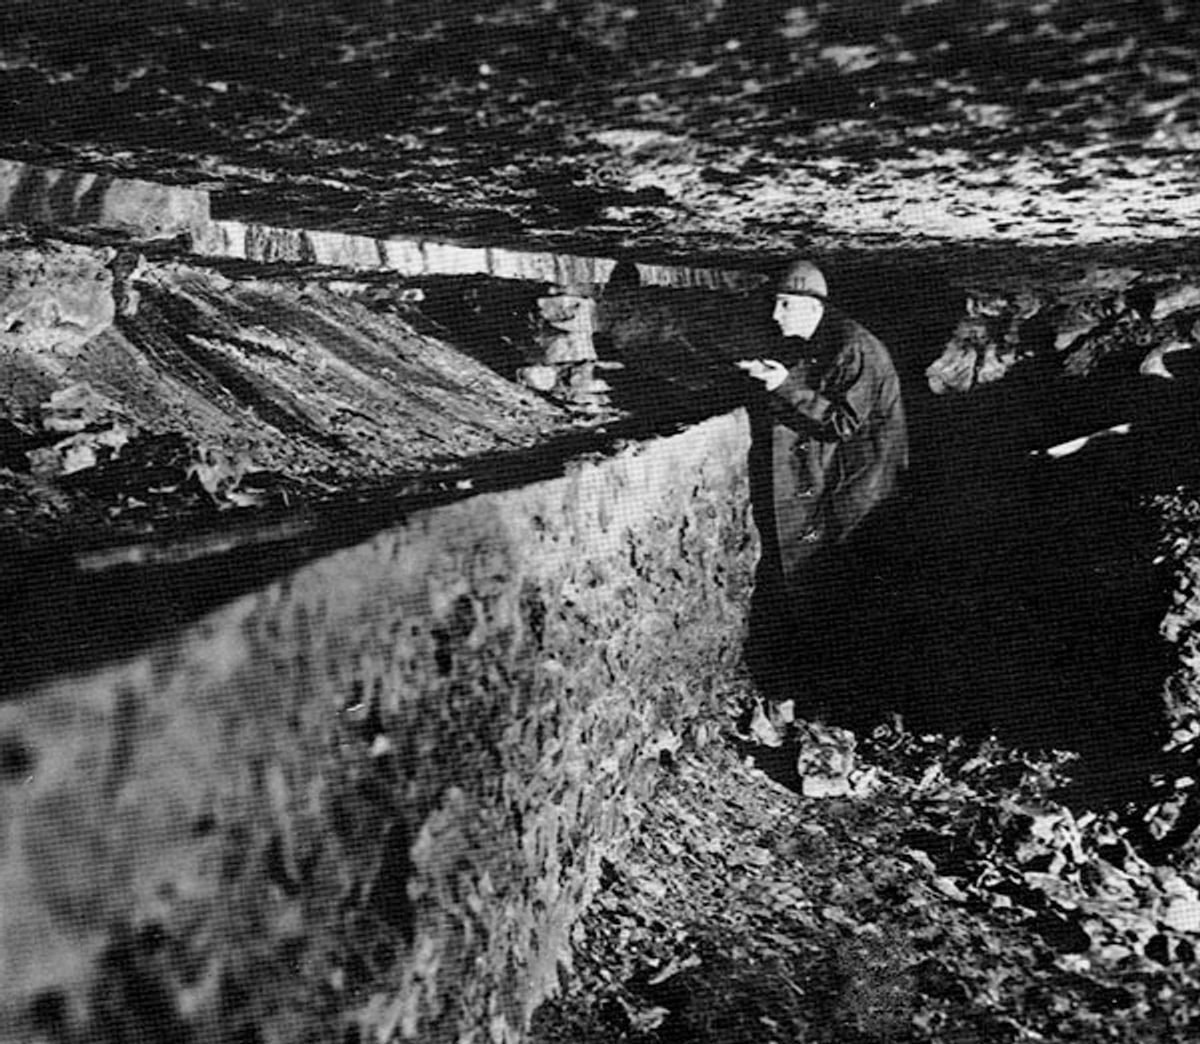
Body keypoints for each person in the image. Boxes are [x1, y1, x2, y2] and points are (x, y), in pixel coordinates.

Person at [736, 261, 908, 714]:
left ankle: (838, 696)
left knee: (836, 579)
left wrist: (783, 385)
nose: (776, 315)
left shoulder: (853, 347)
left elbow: (841, 421)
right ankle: (829, 688)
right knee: (832, 580)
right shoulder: (830, 336)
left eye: (785, 304)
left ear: (812, 305)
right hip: (853, 475)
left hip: (864, 483)